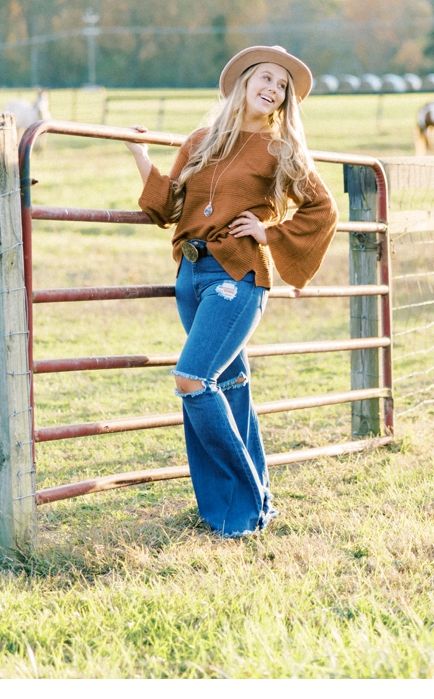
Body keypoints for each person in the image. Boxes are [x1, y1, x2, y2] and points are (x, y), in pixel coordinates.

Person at [124, 45, 338, 537]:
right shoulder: (201, 141)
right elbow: (167, 206)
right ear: (243, 81)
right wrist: (140, 155)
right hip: (190, 276)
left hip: (236, 276)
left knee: (192, 381)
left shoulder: (280, 149)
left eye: (281, 86)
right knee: (230, 388)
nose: (273, 89)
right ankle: (232, 508)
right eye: (265, 78)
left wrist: (271, 233)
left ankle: (244, 509)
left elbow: (323, 210)